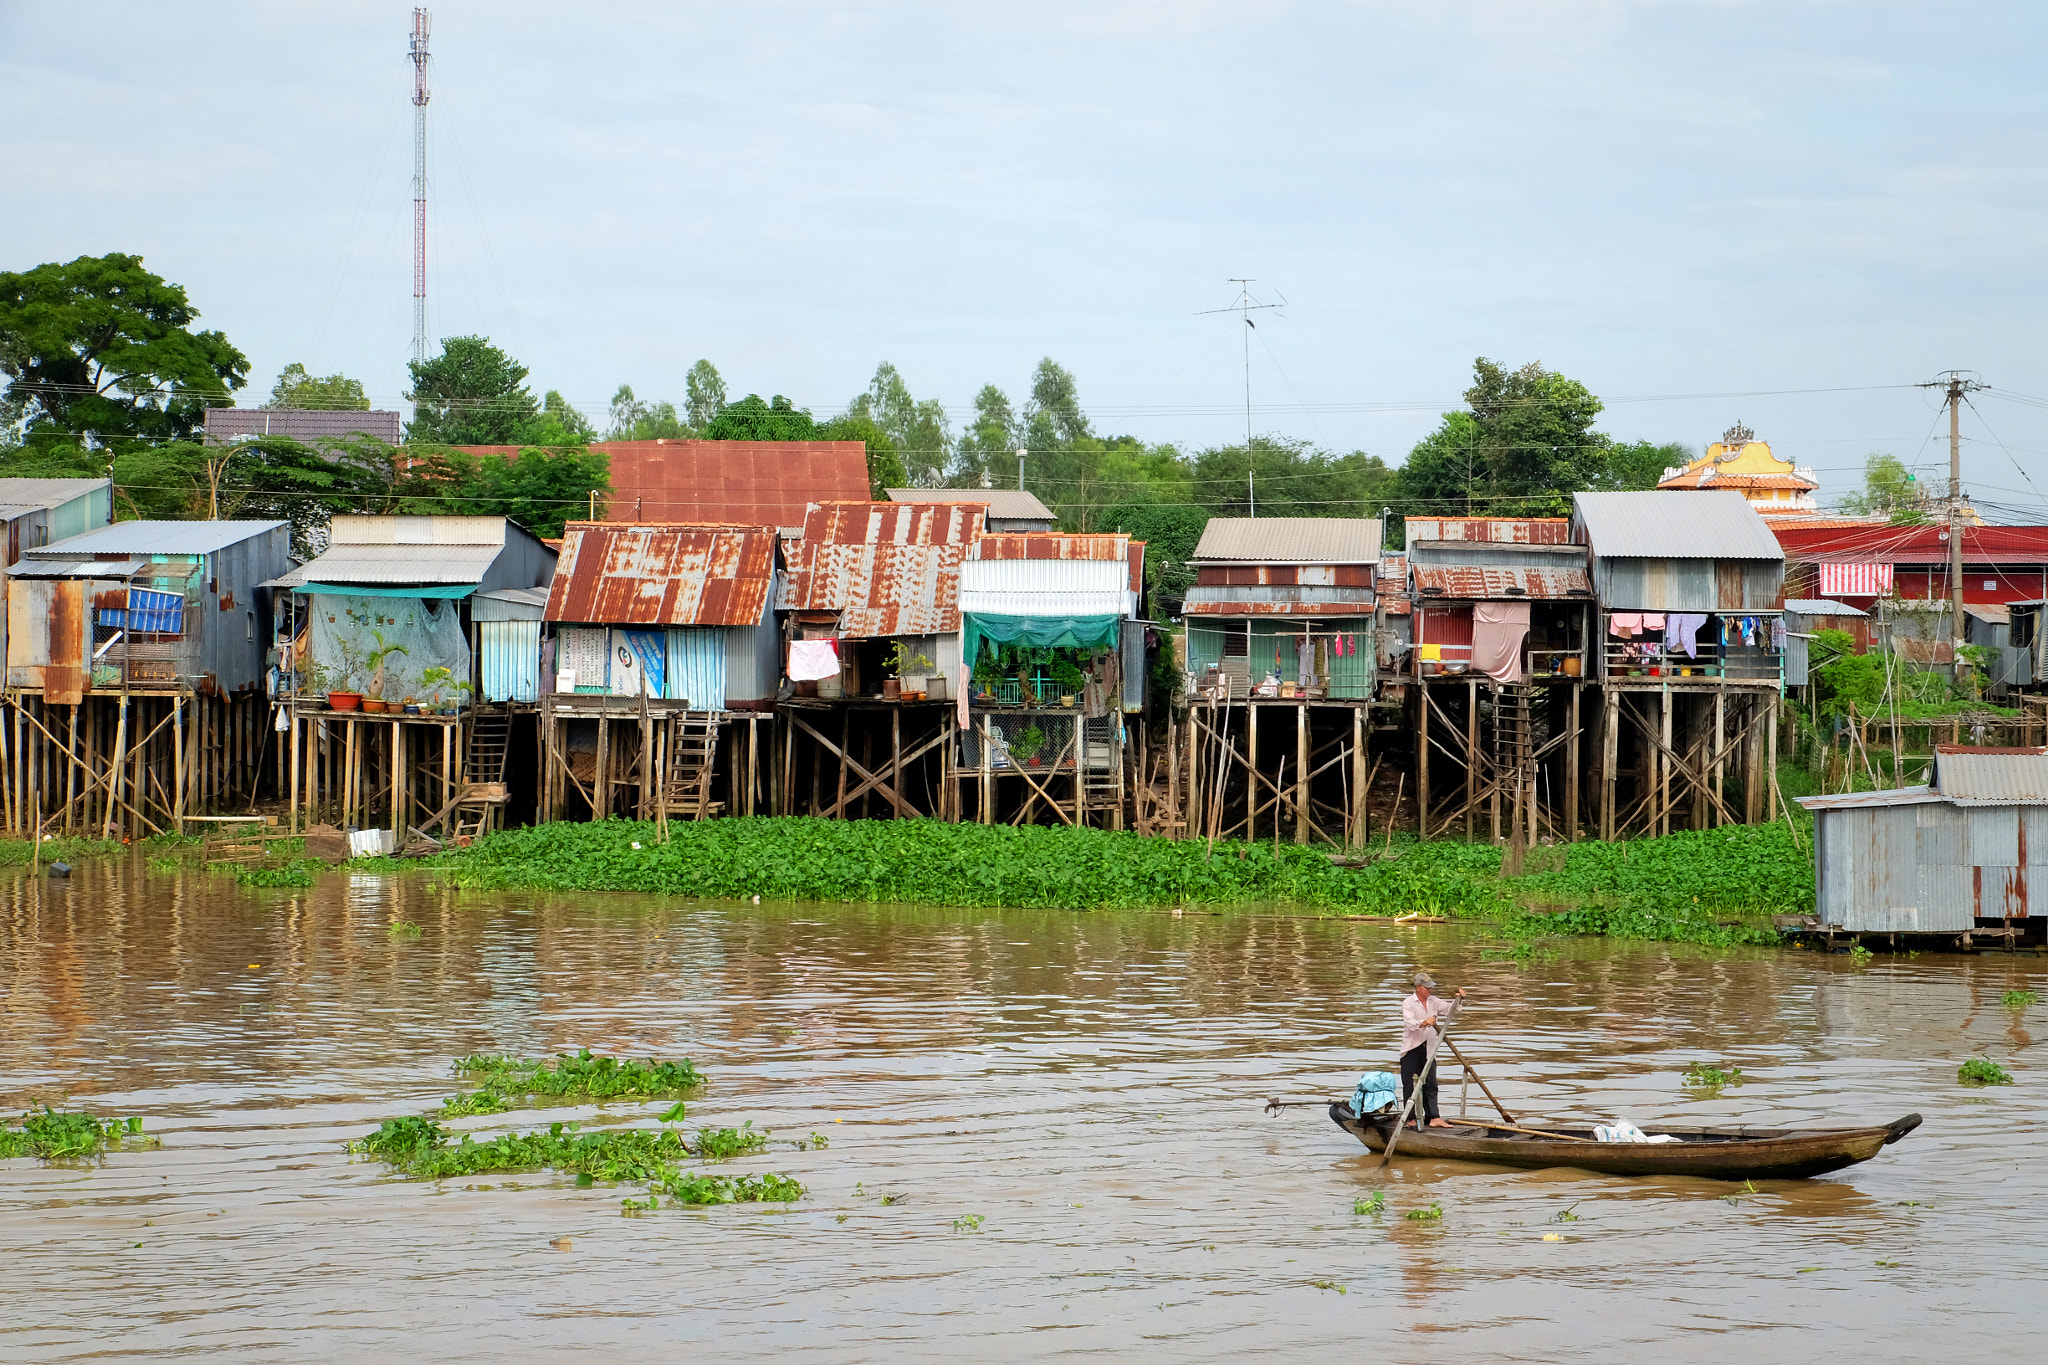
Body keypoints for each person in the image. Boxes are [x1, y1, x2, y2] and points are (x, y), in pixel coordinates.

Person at [1399, 971, 1466, 1129]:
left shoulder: (1434, 1001)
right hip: (1411, 1049)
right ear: (1418, 987)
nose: (1430, 990)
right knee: (1409, 1085)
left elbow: (1451, 1009)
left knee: (1431, 1083)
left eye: (1431, 987)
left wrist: (1459, 999)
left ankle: (1433, 1117)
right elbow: (1410, 1023)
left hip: (1429, 1049)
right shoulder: (1408, 1003)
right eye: (1427, 987)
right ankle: (1410, 1118)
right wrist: (1424, 1022)